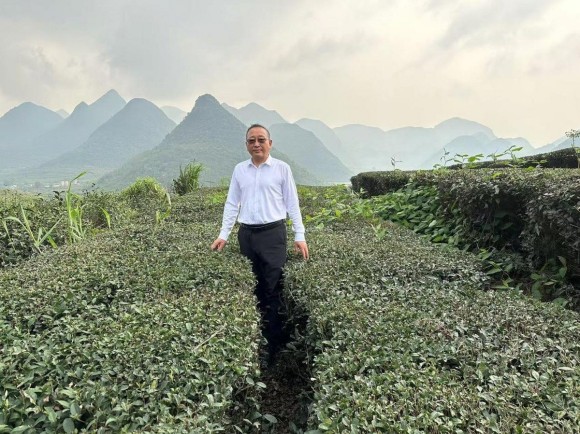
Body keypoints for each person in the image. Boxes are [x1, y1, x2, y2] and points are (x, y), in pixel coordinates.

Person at [211, 123, 309, 364]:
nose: (256, 144)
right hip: (247, 235)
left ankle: (273, 347)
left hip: (273, 235)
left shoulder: (281, 169)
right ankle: (253, 344)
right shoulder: (239, 170)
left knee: (272, 289)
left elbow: (292, 203)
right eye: (251, 141)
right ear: (246, 145)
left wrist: (300, 234)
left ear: (270, 143)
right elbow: (232, 203)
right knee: (252, 289)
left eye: (261, 140)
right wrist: (224, 234)